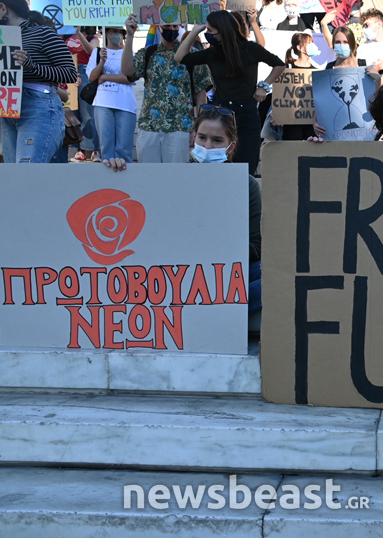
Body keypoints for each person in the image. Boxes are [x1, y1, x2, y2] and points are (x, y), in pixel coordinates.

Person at [176, 10, 286, 175]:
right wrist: (195, 31)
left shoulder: (249, 48)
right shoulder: (213, 53)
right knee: (219, 166)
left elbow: (279, 64)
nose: (207, 34)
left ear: (223, 30)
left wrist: (264, 86)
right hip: (221, 113)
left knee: (246, 168)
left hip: (247, 113)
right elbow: (180, 57)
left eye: (210, 30)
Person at [190, 106, 263, 321]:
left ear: (231, 146)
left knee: (278, 275)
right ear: (193, 138)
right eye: (202, 138)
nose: (207, 146)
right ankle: (220, 311)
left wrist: (220, 246)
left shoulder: (247, 185)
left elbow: (256, 246)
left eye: (217, 140)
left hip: (230, 273)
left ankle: (210, 311)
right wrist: (115, 172)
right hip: (183, 273)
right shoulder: (171, 179)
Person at [0, 0, 77, 164]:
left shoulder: (42, 33)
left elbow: (70, 73)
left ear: (3, 8)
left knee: (28, 170)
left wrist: (32, 66)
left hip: (37, 105)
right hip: (8, 107)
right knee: (13, 173)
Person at [122, 15, 212, 163]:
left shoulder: (193, 55)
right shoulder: (147, 53)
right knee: (149, 174)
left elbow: (201, 93)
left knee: (176, 174)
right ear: (159, 26)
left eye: (175, 26)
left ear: (180, 26)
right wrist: (130, 36)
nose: (171, 29)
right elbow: (127, 72)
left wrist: (199, 128)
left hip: (180, 127)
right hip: (149, 126)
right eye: (168, 25)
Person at [88, 27, 136, 163]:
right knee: (106, 146)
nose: (117, 35)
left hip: (125, 104)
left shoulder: (129, 53)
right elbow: (92, 77)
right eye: (114, 32)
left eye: (120, 32)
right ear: (106, 33)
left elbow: (130, 78)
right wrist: (102, 62)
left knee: (124, 148)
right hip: (103, 103)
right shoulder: (97, 53)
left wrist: (105, 77)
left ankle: (125, 174)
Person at [260, 32, 318, 141]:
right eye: (309, 43)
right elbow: (279, 96)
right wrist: (277, 113)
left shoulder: (317, 72)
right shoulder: (287, 70)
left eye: (312, 42)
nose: (312, 45)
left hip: (310, 126)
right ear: (299, 47)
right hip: (290, 126)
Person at [65, 26, 101, 163]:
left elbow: (93, 52)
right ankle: (79, 149)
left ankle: (94, 149)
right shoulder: (65, 36)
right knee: (72, 113)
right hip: (69, 71)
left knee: (88, 113)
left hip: (85, 71)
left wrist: (79, 34)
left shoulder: (92, 38)